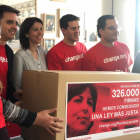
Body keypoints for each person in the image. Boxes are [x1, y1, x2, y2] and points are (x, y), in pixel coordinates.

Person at [0, 4, 63, 139]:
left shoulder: (9, 51)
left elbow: (9, 86)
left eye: (15, 23)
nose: (14, 27)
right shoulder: (19, 55)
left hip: (8, 110)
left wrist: (13, 98)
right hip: (22, 108)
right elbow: (16, 84)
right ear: (27, 33)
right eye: (9, 22)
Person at [12, 17, 47, 91]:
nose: (40, 33)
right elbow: (17, 86)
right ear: (26, 33)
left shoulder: (42, 51)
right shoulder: (19, 56)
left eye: (41, 29)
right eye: (35, 29)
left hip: (45, 96)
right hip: (29, 99)